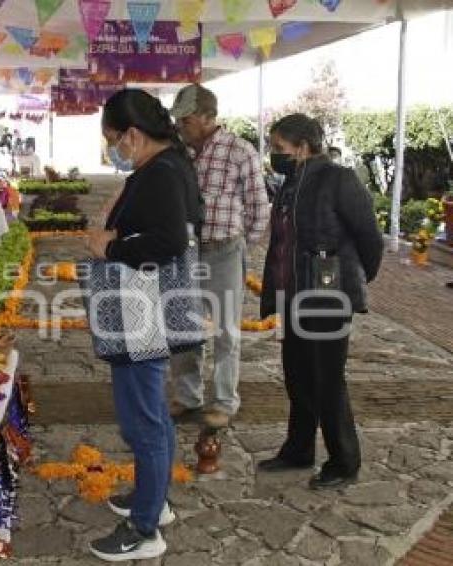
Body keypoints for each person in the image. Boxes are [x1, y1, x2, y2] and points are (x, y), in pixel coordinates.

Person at [86, 88, 201, 562]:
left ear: (132, 134)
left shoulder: (161, 172)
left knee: (143, 419)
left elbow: (170, 239)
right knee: (151, 408)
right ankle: (154, 498)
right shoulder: (166, 165)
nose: (113, 148)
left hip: (142, 311)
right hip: (144, 308)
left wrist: (111, 247)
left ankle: (144, 528)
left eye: (113, 139)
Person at [258, 114, 383, 489]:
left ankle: (344, 461)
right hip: (291, 294)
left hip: (326, 295)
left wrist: (354, 280)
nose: (274, 155)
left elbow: (369, 238)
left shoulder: (338, 179)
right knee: (297, 377)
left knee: (327, 380)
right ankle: (298, 450)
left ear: (303, 146)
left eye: (279, 148)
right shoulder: (289, 183)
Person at [168, 84, 270, 429]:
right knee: (184, 327)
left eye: (187, 119)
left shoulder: (240, 151)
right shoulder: (179, 152)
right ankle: (187, 396)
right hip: (186, 253)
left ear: (207, 117)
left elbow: (259, 206)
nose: (181, 125)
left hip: (224, 251)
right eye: (179, 120)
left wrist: (242, 244)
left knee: (227, 332)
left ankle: (225, 401)